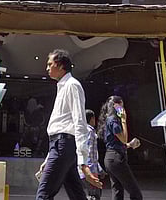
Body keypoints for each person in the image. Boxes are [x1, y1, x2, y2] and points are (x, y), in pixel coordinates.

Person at [36, 49, 101, 200]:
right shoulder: (63, 86)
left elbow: (80, 122)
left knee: (43, 194)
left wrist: (83, 162)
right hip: (61, 146)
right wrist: (49, 157)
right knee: (76, 194)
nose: (47, 68)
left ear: (60, 66)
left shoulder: (72, 85)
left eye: (50, 64)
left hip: (63, 146)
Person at [100, 95, 143, 200]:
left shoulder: (108, 120)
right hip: (116, 159)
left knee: (117, 191)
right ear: (116, 106)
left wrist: (130, 144)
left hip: (110, 157)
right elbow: (124, 139)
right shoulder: (113, 120)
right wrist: (123, 120)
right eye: (121, 105)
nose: (123, 108)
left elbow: (117, 143)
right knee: (135, 193)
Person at [83, 109, 104, 200]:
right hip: (90, 169)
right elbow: (90, 151)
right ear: (92, 119)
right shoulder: (90, 131)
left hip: (85, 168)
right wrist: (92, 171)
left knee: (92, 194)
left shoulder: (82, 130)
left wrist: (99, 168)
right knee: (95, 194)